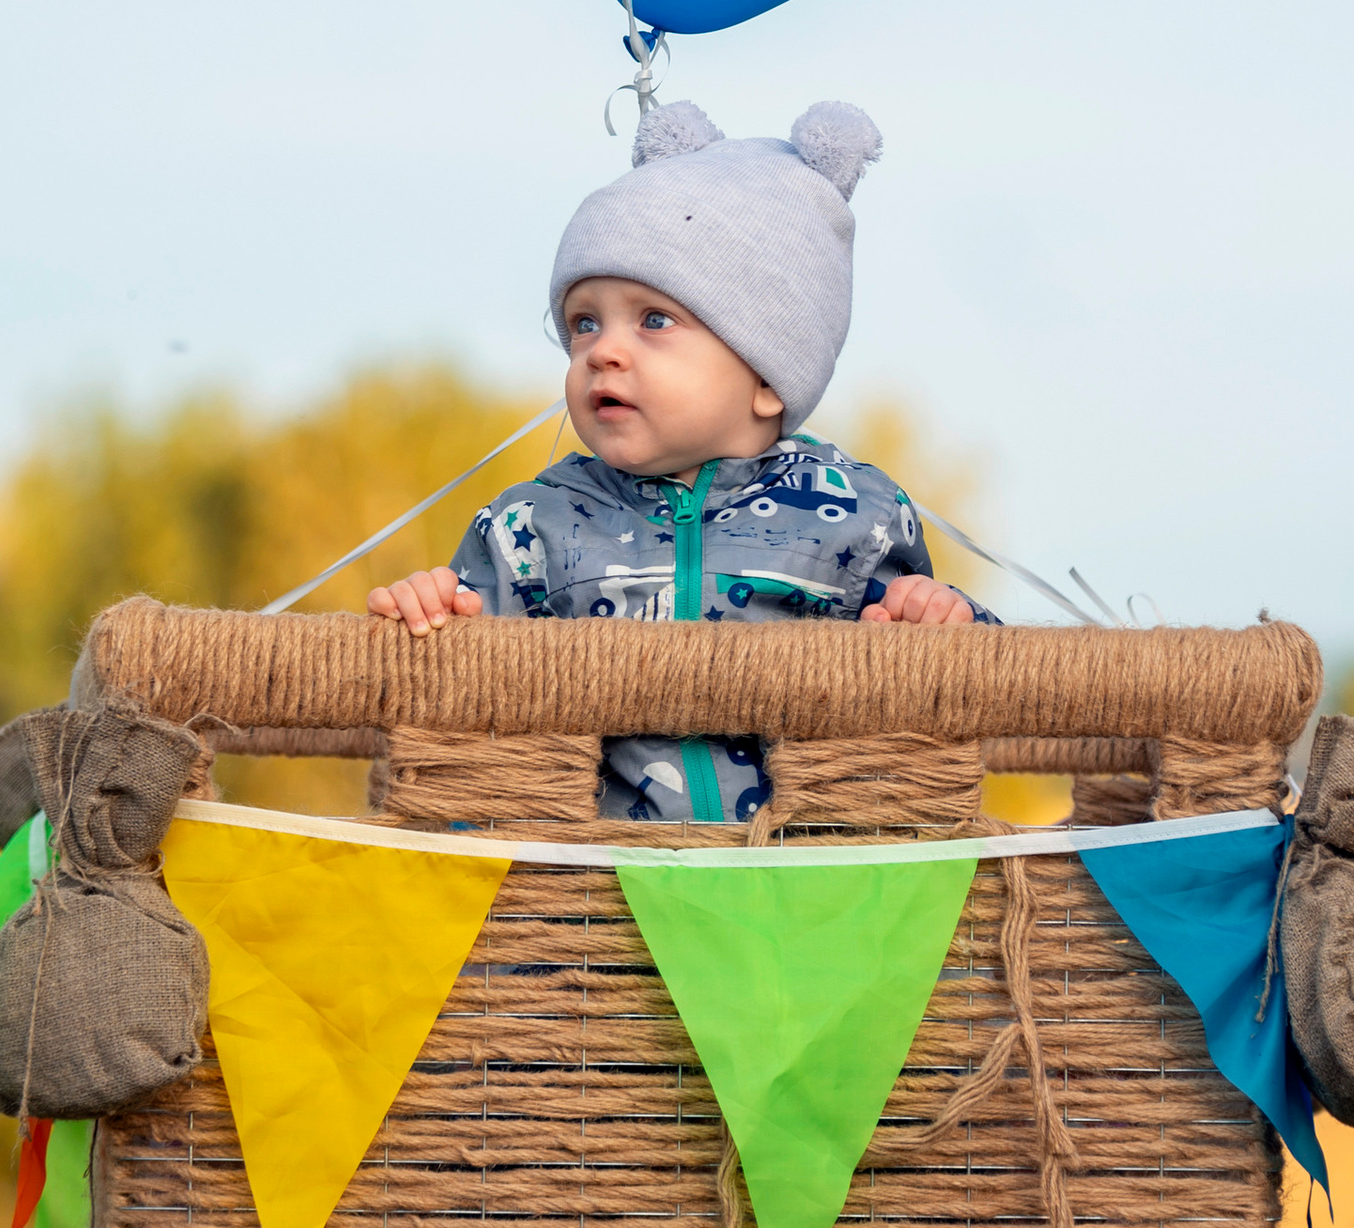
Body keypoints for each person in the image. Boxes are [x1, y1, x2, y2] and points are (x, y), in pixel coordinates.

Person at [370, 97, 983, 821]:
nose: (604, 348)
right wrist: (437, 617)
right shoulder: (531, 526)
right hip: (591, 900)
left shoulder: (857, 515)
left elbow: (952, 706)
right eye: (583, 321)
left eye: (655, 319)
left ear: (766, 376)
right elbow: (465, 717)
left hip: (808, 894)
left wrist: (944, 620)